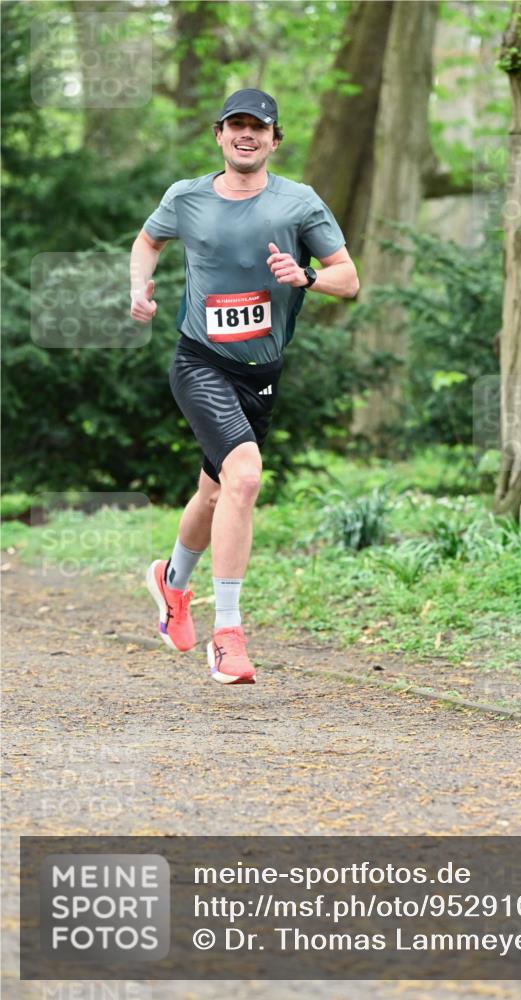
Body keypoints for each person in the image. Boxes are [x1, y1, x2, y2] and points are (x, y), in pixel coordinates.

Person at [129, 88, 358, 685]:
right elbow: (148, 240)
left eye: (259, 126)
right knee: (247, 476)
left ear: (275, 139)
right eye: (236, 125)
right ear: (220, 135)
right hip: (200, 360)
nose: (246, 134)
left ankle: (171, 583)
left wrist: (305, 275)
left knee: (214, 493)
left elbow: (348, 279)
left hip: (261, 374)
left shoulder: (300, 203)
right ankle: (227, 634)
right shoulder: (187, 198)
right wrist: (140, 286)